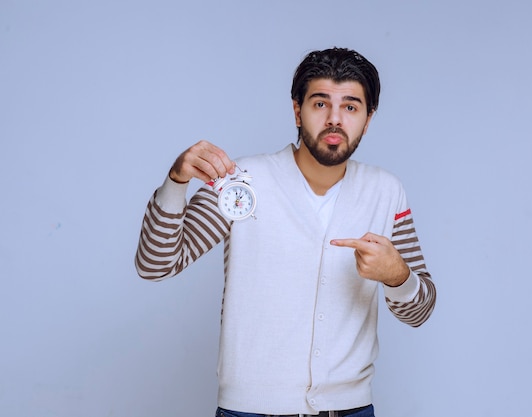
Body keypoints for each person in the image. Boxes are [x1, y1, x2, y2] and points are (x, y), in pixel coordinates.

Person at [135, 47, 436, 417]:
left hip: (351, 409)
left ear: (368, 119)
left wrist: (398, 277)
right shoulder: (243, 181)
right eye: (320, 104)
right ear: (298, 110)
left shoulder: (385, 192)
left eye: (351, 107)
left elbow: (420, 311)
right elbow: (155, 264)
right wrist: (177, 181)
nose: (335, 120)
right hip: (250, 411)